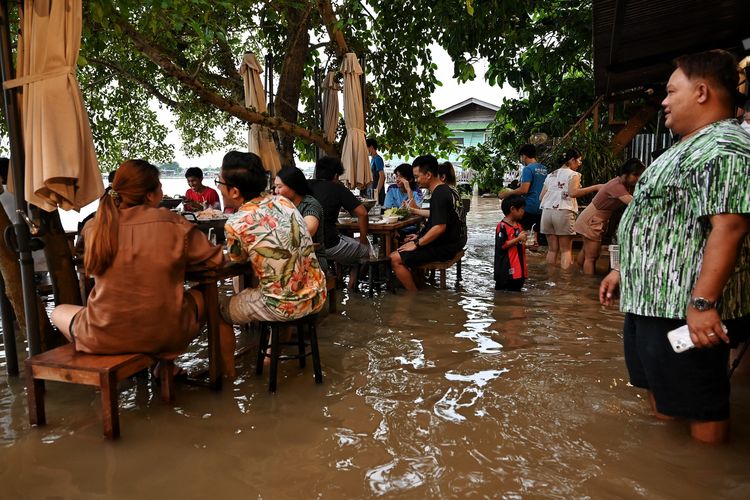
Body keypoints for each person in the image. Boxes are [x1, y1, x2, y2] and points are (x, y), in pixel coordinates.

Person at [599, 50, 750, 444]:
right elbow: (665, 221)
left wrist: (703, 303)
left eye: (670, 91)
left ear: (701, 92)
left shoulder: (725, 146)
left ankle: (704, 475)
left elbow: (729, 226)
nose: (663, 101)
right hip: (653, 300)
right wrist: (623, 269)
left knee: (702, 407)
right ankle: (670, 469)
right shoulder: (690, 145)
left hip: (683, 308)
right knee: (665, 397)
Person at [50, 160, 223, 359]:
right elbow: (215, 260)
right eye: (159, 185)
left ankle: (118, 360)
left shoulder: (94, 227)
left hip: (102, 335)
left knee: (58, 312)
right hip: (164, 336)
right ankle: (164, 363)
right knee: (205, 293)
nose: (162, 189)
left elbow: (85, 262)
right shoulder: (172, 222)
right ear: (150, 195)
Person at [216, 152, 327, 377]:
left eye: (220, 183)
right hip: (316, 294)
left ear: (235, 191)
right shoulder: (283, 201)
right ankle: (269, 355)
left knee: (217, 310)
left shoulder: (235, 223)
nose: (218, 188)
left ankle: (226, 378)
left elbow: (237, 259)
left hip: (283, 305)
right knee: (276, 286)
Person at [391, 154, 466, 291]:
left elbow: (439, 227)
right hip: (456, 241)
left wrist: (418, 243)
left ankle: (413, 297)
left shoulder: (439, 194)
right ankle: (419, 283)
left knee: (394, 257)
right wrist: (419, 236)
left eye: (418, 176)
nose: (416, 180)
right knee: (404, 245)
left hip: (446, 247)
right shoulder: (448, 190)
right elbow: (440, 218)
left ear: (429, 175)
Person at [574, 158, 645, 274]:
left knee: (586, 250)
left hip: (590, 217)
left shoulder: (622, 184)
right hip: (592, 219)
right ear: (625, 173)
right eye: (635, 175)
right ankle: (587, 286)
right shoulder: (617, 186)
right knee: (592, 257)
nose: (637, 179)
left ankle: (579, 274)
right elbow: (635, 204)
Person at [309, 156, 369, 289]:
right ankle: (353, 292)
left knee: (352, 253)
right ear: (336, 175)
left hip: (308, 246)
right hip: (330, 245)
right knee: (368, 252)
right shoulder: (338, 189)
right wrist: (364, 239)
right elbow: (363, 213)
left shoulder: (306, 187)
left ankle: (344, 285)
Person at [539, 149, 602, 269]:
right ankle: (565, 282)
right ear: (572, 160)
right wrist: (595, 187)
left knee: (552, 250)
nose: (580, 163)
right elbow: (573, 193)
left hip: (546, 213)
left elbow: (541, 197)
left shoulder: (551, 174)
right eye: (579, 160)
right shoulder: (573, 175)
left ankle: (550, 280)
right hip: (563, 212)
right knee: (566, 251)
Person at [273, 165, 328, 272]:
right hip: (288, 257)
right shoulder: (282, 205)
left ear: (294, 186)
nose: (276, 191)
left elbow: (307, 232)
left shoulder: (310, 205)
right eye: (275, 187)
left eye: (279, 187)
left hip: (313, 260)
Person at [499, 144, 548, 245]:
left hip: (528, 207)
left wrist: (507, 194)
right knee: (537, 238)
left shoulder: (528, 169)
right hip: (542, 206)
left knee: (522, 237)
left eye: (521, 157)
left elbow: (524, 189)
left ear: (524, 156)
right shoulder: (544, 168)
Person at [494, 195, 528, 292]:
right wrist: (518, 239)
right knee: (505, 295)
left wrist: (528, 245)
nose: (523, 211)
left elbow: (520, 243)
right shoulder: (502, 226)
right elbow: (502, 245)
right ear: (512, 209)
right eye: (521, 209)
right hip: (506, 270)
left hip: (519, 270)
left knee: (517, 296)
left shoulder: (518, 225)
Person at [366, 137, 385, 205]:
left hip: (377, 193)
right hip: (372, 191)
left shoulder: (377, 159)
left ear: (371, 147)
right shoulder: (372, 159)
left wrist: (377, 191)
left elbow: (382, 176)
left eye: (366, 147)